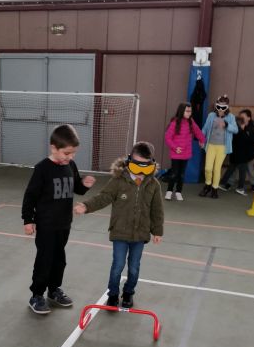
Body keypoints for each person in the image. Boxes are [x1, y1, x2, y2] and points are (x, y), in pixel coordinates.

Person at [74, 141, 163, 309]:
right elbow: (103, 197)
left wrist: (157, 231)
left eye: (145, 166)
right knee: (117, 266)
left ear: (151, 164)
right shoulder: (118, 181)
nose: (140, 171)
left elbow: (157, 210)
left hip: (140, 234)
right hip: (120, 233)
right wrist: (86, 206)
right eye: (137, 165)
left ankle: (128, 293)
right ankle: (113, 294)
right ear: (129, 161)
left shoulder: (153, 185)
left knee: (134, 268)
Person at [22, 124, 95, 314]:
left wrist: (85, 185)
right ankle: (37, 295)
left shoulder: (70, 165)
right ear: (54, 148)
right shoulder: (42, 169)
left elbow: (77, 188)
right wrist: (28, 220)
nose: (70, 157)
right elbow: (30, 196)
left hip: (64, 223)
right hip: (46, 224)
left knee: (59, 259)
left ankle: (54, 290)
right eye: (67, 153)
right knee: (45, 259)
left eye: (73, 153)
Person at [164, 102, 205, 201]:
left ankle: (178, 192)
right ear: (181, 111)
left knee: (181, 175)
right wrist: (175, 148)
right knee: (174, 174)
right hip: (176, 154)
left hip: (186, 154)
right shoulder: (175, 122)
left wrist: (202, 140)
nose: (189, 113)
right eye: (187, 111)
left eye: (190, 111)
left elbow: (197, 131)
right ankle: (169, 191)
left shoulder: (190, 122)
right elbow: (168, 137)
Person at [199, 95, 238, 199]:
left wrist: (226, 125)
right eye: (219, 106)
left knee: (217, 169)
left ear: (227, 107)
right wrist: (201, 139)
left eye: (223, 107)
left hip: (223, 147)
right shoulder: (211, 115)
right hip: (211, 145)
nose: (221, 109)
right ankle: (207, 185)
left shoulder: (231, 117)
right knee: (208, 168)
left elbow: (235, 130)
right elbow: (205, 128)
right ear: (216, 106)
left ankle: (214, 189)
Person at [219, 110, 254, 196]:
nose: (241, 119)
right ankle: (232, 185)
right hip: (238, 153)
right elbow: (242, 138)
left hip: (247, 153)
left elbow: (253, 139)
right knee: (237, 169)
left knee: (247, 169)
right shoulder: (236, 127)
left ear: (249, 118)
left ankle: (252, 185)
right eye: (240, 117)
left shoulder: (253, 127)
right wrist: (243, 130)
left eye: (243, 117)